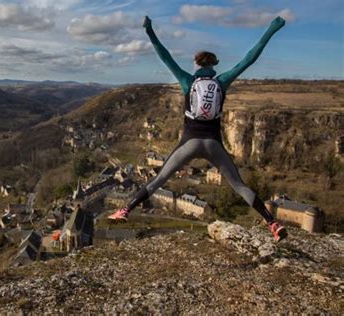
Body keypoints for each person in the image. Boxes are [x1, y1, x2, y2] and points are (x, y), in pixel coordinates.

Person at [108, 16, 288, 242]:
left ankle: (125, 210)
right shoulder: (221, 82)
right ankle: (272, 222)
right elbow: (249, 58)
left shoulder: (187, 82)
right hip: (214, 145)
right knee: (239, 185)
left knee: (158, 181)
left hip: (189, 143)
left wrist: (150, 31)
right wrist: (271, 29)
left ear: (197, 64)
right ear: (213, 65)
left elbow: (165, 56)